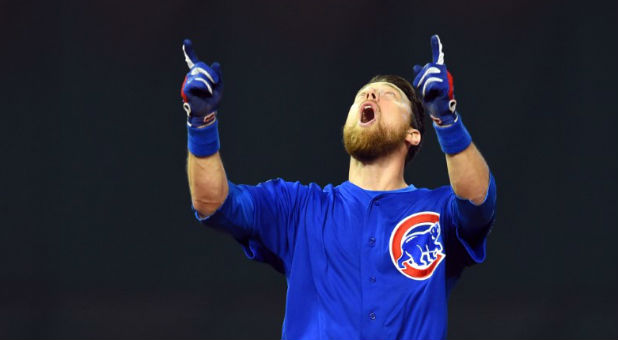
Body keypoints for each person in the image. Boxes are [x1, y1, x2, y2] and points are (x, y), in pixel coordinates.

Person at [181, 34, 497, 340]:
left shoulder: (437, 211)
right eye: (363, 93)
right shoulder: (297, 207)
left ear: (413, 135)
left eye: (389, 95)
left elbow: (478, 200)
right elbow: (213, 204)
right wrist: (201, 123)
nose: (370, 95)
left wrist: (447, 120)